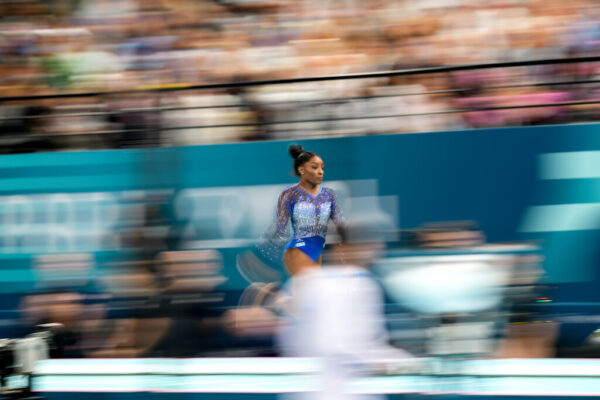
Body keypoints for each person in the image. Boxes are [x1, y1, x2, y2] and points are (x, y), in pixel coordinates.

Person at [277, 221, 415, 400]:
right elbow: (348, 347)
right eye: (368, 245)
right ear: (345, 248)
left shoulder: (300, 282)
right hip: (344, 392)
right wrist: (407, 366)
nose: (376, 251)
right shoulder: (358, 282)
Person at [267, 144, 345, 276]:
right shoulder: (290, 194)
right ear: (301, 170)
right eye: (314, 167)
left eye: (322, 168)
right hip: (298, 249)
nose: (320, 172)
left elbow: (341, 224)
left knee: (313, 291)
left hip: (317, 250)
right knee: (309, 286)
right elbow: (280, 228)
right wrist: (267, 255)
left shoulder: (329, 194)